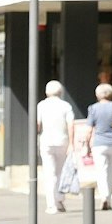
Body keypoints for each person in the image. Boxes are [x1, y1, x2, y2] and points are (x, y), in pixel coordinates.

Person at [37, 81, 77, 214]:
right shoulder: (66, 106)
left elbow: (38, 124)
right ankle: (59, 199)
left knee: (49, 173)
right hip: (62, 141)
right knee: (60, 172)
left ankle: (51, 204)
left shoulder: (41, 105)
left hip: (47, 141)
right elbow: (71, 125)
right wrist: (72, 143)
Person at [86, 83, 112, 210]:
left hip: (99, 143)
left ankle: (104, 197)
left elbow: (89, 128)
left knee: (101, 172)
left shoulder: (93, 108)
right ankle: (109, 199)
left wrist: (87, 145)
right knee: (111, 171)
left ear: (97, 95)